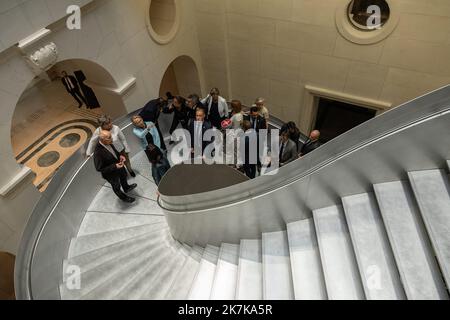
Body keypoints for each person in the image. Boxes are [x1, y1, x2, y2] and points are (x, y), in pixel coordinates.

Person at [94, 130, 137, 203]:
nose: (112, 139)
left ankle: (126, 187)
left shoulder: (108, 142)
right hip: (111, 173)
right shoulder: (98, 152)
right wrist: (115, 166)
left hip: (119, 167)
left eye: (111, 136)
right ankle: (123, 198)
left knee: (124, 177)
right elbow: (99, 168)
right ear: (102, 140)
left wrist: (120, 156)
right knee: (116, 186)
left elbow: (114, 152)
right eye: (109, 138)